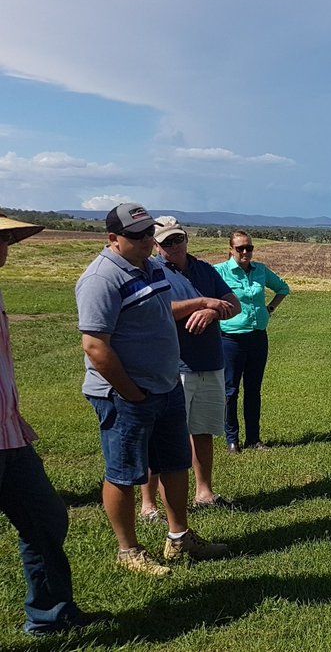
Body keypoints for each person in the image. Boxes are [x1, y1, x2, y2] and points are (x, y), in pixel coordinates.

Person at [76, 203, 229, 577]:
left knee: (175, 463)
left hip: (165, 386)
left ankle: (179, 538)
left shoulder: (153, 268)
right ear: (113, 238)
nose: (146, 241)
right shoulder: (101, 279)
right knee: (124, 472)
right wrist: (131, 393)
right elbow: (95, 346)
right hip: (125, 394)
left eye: (149, 233)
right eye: (137, 235)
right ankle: (129, 551)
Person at [0, 215, 108, 635]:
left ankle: (51, 617)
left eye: (8, 238)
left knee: (46, 519)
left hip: (9, 434)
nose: (6, 246)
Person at [140, 217, 240, 520]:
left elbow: (233, 304)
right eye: (167, 242)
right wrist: (203, 302)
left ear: (186, 238)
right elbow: (158, 310)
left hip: (210, 362)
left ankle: (204, 492)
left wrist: (212, 312)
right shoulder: (151, 271)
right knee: (162, 436)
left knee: (203, 430)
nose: (174, 246)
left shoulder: (205, 269)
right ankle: (148, 504)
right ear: (155, 245)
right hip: (173, 366)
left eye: (178, 239)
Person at [214, 231, 290, 453]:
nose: (245, 252)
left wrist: (270, 308)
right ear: (231, 250)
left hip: (257, 337)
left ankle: (254, 438)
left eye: (249, 247)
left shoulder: (261, 271)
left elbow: (283, 288)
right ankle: (232, 439)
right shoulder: (219, 272)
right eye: (240, 248)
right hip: (231, 339)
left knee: (253, 390)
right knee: (230, 391)